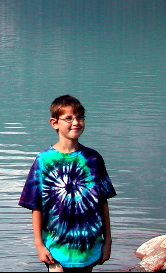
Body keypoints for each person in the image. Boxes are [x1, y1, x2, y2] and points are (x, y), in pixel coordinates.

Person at [19, 95, 116, 272]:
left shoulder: (93, 159)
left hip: (88, 245)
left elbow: (103, 203)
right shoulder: (44, 161)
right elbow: (36, 206)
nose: (76, 122)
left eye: (80, 117)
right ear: (54, 123)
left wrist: (108, 241)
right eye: (69, 118)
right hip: (56, 246)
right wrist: (39, 245)